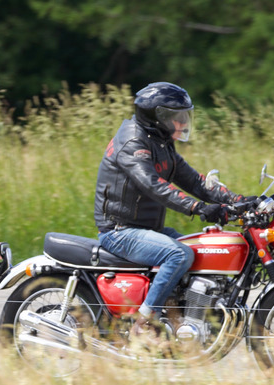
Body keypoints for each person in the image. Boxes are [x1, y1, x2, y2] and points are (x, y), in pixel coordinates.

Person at [94, 82, 251, 345]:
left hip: (146, 229)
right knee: (179, 253)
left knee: (201, 252)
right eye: (177, 118)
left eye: (184, 117)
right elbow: (153, 185)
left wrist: (240, 201)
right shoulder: (133, 142)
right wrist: (197, 208)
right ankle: (144, 323)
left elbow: (196, 182)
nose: (183, 124)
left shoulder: (160, 142)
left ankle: (179, 328)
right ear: (158, 117)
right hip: (119, 231)